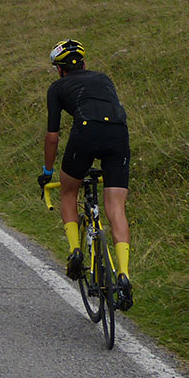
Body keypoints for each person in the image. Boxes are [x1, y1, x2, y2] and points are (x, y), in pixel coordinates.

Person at [36, 39, 134, 310]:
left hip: (86, 131)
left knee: (69, 191)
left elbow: (53, 137)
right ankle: (123, 275)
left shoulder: (57, 88)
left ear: (59, 69)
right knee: (116, 208)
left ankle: (75, 251)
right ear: (85, 63)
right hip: (118, 132)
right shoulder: (104, 78)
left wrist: (47, 173)